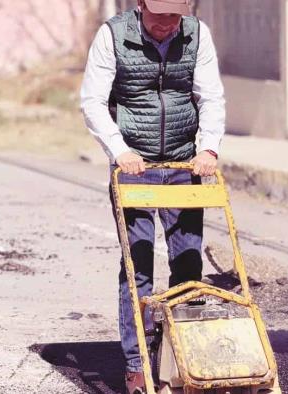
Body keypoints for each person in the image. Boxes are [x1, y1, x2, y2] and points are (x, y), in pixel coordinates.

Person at [80, 0, 225, 391]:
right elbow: (92, 101)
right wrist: (119, 150)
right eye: (159, 17)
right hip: (134, 165)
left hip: (181, 164)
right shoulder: (113, 35)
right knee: (137, 264)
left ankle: (183, 357)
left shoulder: (197, 34)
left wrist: (208, 148)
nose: (166, 26)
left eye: (174, 18)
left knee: (189, 263)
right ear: (141, 5)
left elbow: (210, 95)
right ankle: (137, 363)